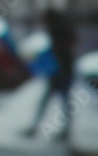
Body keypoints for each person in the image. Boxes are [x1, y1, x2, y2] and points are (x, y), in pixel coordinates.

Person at [24, 8, 77, 139]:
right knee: (61, 100)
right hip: (60, 68)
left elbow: (67, 43)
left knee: (59, 100)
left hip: (61, 69)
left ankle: (61, 130)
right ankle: (64, 130)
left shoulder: (58, 29)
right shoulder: (57, 28)